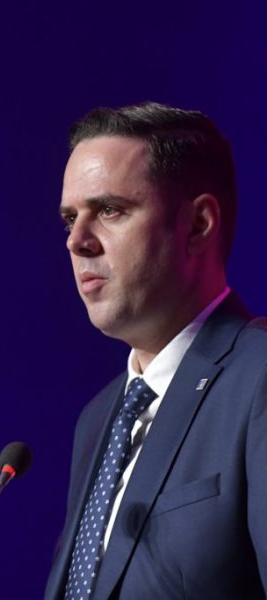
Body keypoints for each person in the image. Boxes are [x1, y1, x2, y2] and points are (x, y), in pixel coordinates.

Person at [44, 102, 267, 600]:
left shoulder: (259, 379)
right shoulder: (98, 419)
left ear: (198, 225)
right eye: (70, 219)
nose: (77, 241)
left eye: (109, 210)